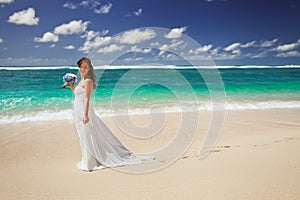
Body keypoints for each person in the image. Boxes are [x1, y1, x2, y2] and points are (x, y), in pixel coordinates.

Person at [69, 57, 152, 172]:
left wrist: (86, 115)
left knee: (88, 134)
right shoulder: (81, 81)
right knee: (83, 134)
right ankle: (87, 158)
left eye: (85, 67)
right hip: (78, 110)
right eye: (81, 67)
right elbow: (79, 95)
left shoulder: (88, 81)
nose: (83, 69)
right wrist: (72, 87)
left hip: (84, 110)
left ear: (89, 69)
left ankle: (90, 161)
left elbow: (87, 99)